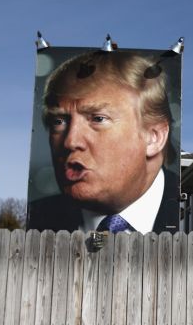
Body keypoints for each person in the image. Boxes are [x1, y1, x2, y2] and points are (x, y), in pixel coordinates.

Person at [27, 49, 179, 234]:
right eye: (59, 122)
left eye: (98, 119)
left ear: (154, 137)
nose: (70, 141)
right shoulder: (36, 220)